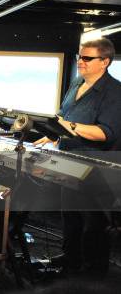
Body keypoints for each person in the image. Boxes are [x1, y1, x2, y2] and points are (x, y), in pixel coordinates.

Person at [34, 38, 121, 275]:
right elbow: (63, 116)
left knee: (92, 224)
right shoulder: (76, 84)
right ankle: (70, 260)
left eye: (87, 58)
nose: (80, 62)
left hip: (96, 168)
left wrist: (68, 125)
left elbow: (105, 133)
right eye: (79, 57)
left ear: (105, 62)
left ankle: (93, 275)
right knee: (70, 216)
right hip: (69, 161)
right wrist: (52, 135)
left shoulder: (115, 92)